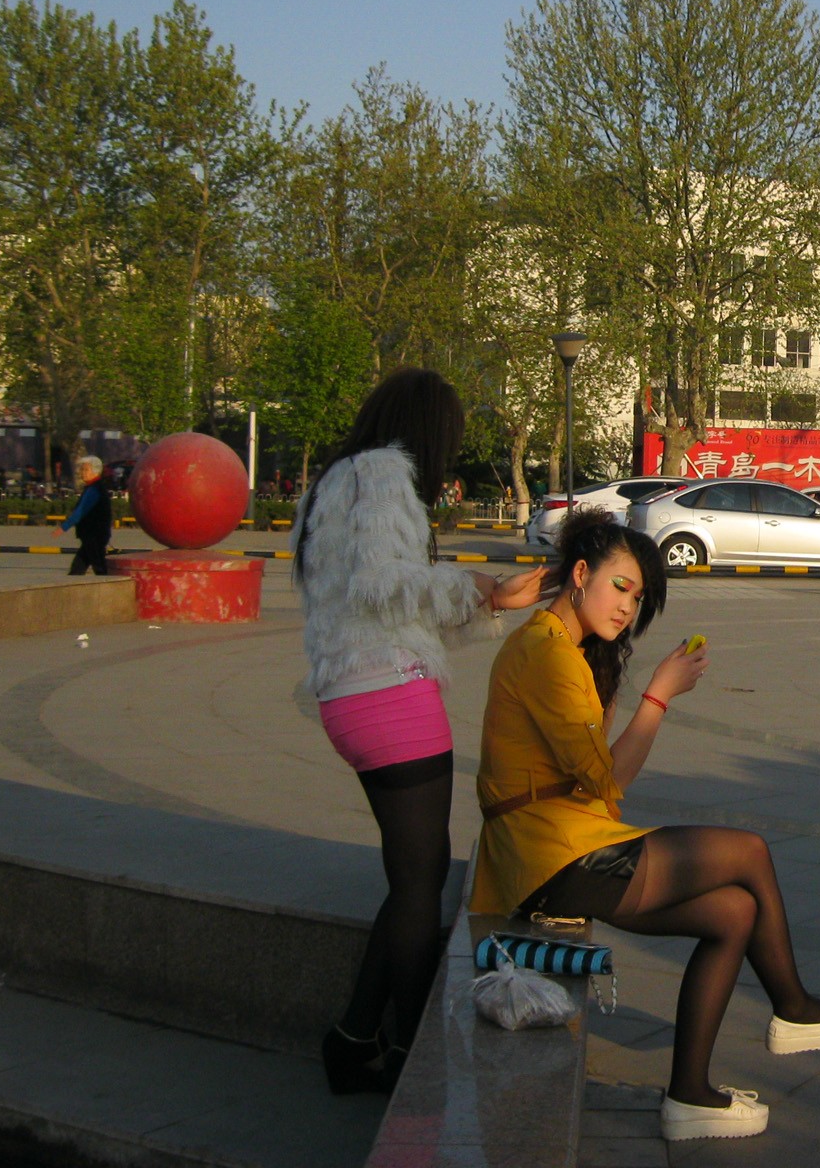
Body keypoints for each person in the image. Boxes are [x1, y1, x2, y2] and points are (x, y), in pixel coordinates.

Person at [472, 508, 820, 1144]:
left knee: (734, 912)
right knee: (749, 852)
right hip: (554, 859)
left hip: (557, 850)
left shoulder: (559, 648)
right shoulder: (544, 652)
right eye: (619, 587)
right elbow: (611, 781)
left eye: (639, 597)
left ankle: (691, 1097)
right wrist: (659, 695)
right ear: (578, 575)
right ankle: (794, 1008)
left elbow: (594, 767)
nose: (627, 607)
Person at [290, 367, 546, 1095]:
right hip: (390, 696)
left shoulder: (333, 480)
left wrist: (484, 599)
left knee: (413, 879)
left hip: (350, 693)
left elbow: (381, 600)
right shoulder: (382, 475)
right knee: (419, 885)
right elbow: (383, 581)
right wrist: (485, 590)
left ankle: (351, 1041)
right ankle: (413, 1059)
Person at [52, 455, 113, 575]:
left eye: (86, 470)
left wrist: (63, 528)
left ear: (95, 471)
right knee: (79, 568)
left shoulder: (94, 490)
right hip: (92, 536)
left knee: (99, 568)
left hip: (94, 536)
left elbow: (80, 512)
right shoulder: (93, 488)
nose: (82, 473)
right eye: (82, 470)